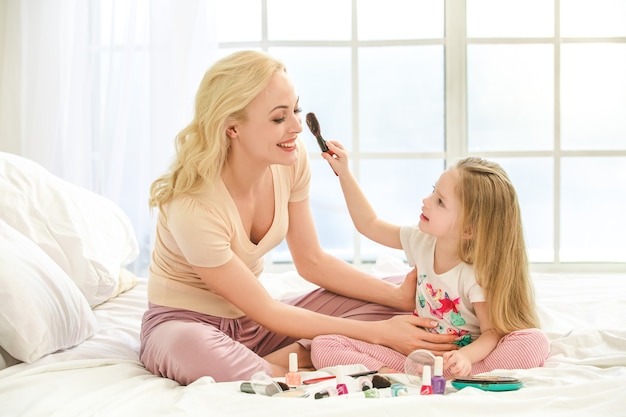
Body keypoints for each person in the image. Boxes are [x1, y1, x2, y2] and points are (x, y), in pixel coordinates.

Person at [139, 50, 459, 385]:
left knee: (401, 296)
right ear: (232, 128)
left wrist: (395, 298)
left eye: (296, 110)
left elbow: (312, 262)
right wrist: (379, 334)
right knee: (190, 349)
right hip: (189, 326)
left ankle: (286, 359)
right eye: (279, 119)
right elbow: (269, 310)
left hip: (256, 324)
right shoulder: (193, 204)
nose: (296, 127)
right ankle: (292, 365)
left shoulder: (290, 162)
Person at [310, 145, 550, 377]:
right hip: (412, 358)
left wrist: (465, 358)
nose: (426, 200)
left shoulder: (476, 274)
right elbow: (369, 224)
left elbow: (491, 333)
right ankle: (392, 374)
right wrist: (344, 173)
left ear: (468, 229)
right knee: (323, 345)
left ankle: (460, 375)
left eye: (440, 201)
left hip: (457, 361)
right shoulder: (421, 240)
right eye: (433, 190)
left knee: (533, 342)